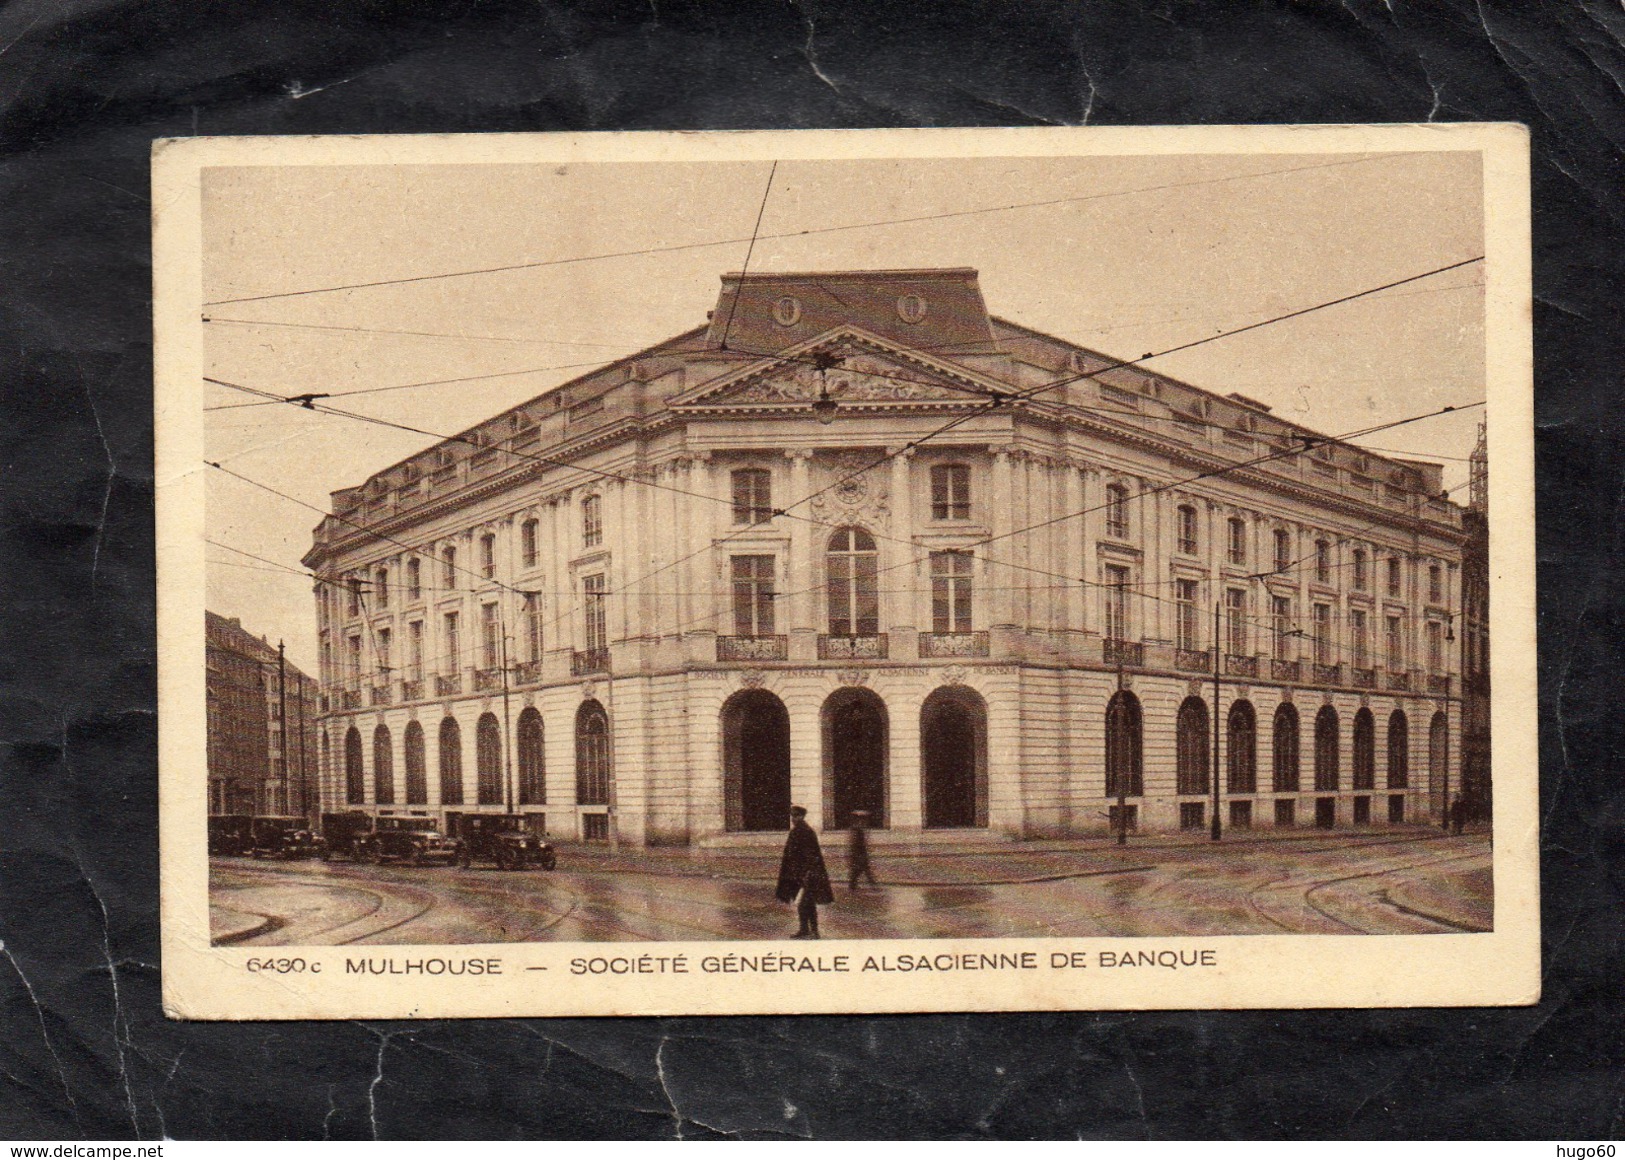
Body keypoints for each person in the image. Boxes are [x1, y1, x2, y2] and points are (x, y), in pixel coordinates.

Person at [775, 805, 834, 938]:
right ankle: (808, 930)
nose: (793, 818)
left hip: (808, 874)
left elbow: (811, 855)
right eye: (792, 816)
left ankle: (810, 931)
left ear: (802, 816)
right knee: (808, 903)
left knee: (804, 904)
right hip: (802, 874)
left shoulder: (804, 831)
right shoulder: (799, 830)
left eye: (796, 816)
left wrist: (807, 873)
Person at [847, 809, 877, 890]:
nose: (864, 821)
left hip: (859, 852)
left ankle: (852, 885)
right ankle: (873, 886)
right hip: (859, 853)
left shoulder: (858, 828)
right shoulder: (857, 829)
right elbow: (856, 842)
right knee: (864, 869)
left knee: (860, 869)